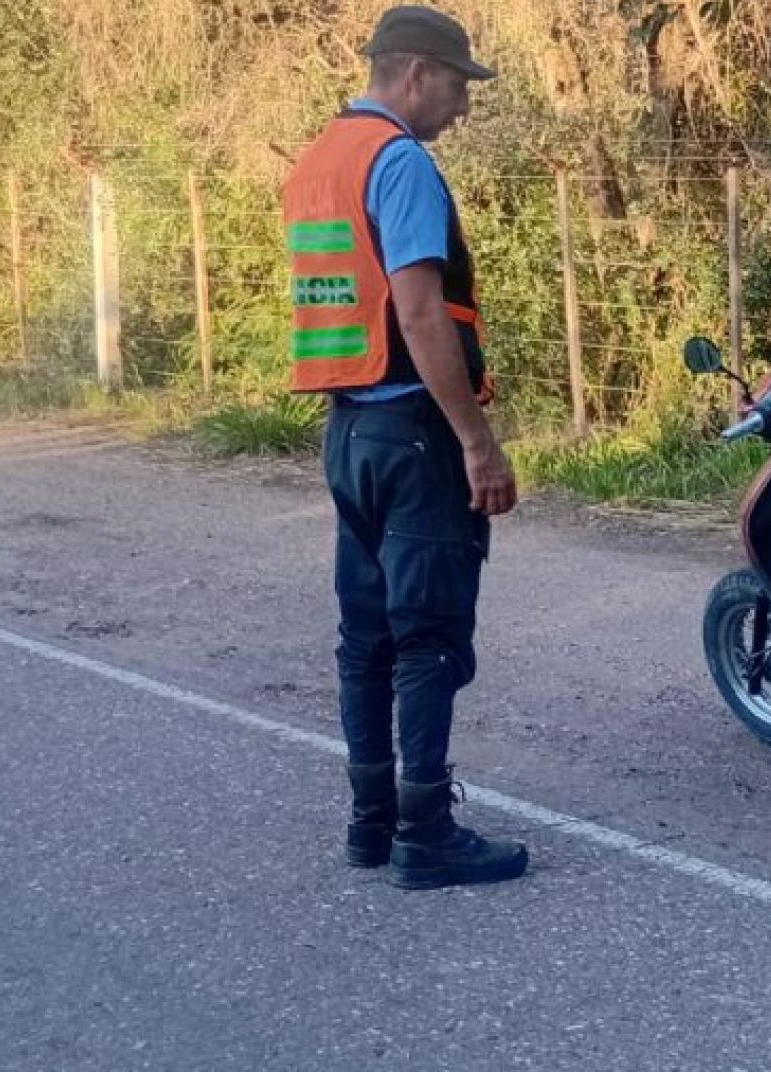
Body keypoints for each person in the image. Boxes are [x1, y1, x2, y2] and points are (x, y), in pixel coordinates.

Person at [282, 5, 526, 890]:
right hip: (412, 433)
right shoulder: (400, 163)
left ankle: (370, 821)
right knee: (427, 635)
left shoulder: (319, 160)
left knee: (366, 637)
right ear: (417, 72)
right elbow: (420, 311)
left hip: (346, 432)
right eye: (460, 85)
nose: (462, 106)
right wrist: (477, 442)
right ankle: (426, 832)